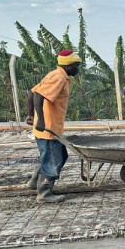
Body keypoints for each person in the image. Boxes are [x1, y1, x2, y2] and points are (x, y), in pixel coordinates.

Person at [29, 49, 81, 203]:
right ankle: (44, 193)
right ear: (68, 65)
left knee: (59, 156)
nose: (77, 69)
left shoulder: (55, 75)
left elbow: (32, 92)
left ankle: (34, 182)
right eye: (76, 65)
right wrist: (40, 120)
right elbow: (38, 95)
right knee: (53, 160)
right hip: (49, 128)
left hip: (51, 128)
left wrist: (30, 115)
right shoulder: (58, 77)